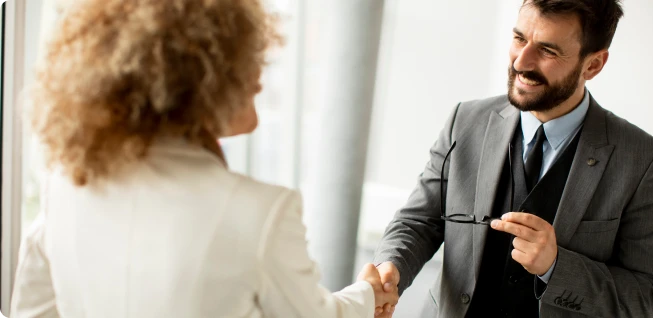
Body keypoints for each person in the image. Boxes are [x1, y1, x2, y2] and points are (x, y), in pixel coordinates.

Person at [10, 0, 397, 317]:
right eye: (245, 60)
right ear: (196, 77)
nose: (260, 77)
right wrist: (366, 295)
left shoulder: (64, 185)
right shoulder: (262, 212)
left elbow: (34, 312)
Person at [372, 0, 653, 317]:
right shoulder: (465, 120)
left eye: (548, 51)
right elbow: (420, 220)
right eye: (519, 38)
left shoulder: (644, 161)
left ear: (593, 65)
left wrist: (557, 267)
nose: (521, 61)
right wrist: (391, 267)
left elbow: (646, 297)